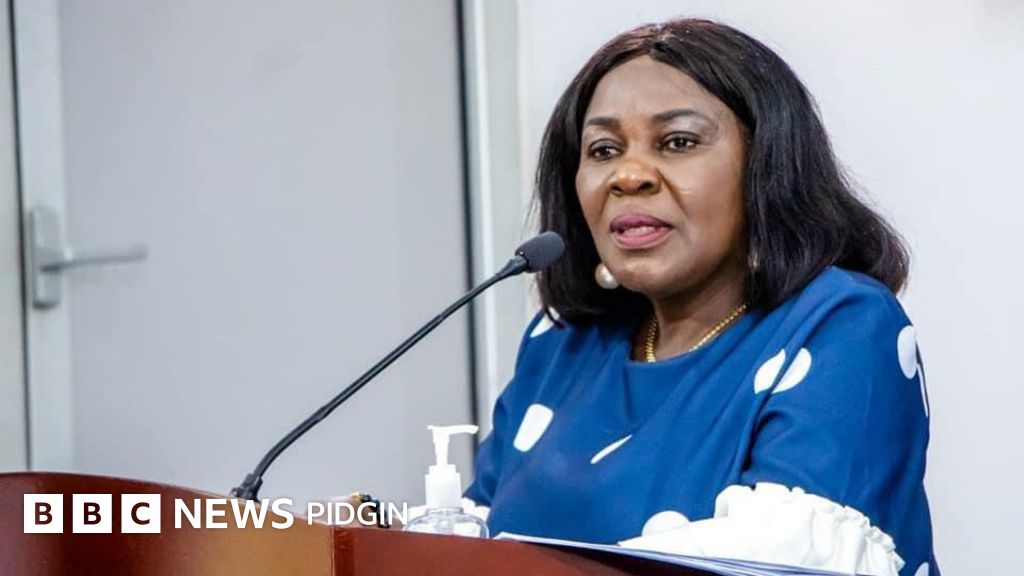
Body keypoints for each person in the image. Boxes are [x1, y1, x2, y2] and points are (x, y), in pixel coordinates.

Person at [464, 18, 938, 576]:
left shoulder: (843, 323)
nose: (628, 175)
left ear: (765, 165)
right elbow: (466, 543)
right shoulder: (561, 344)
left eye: (678, 142)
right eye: (604, 149)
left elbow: (778, 563)